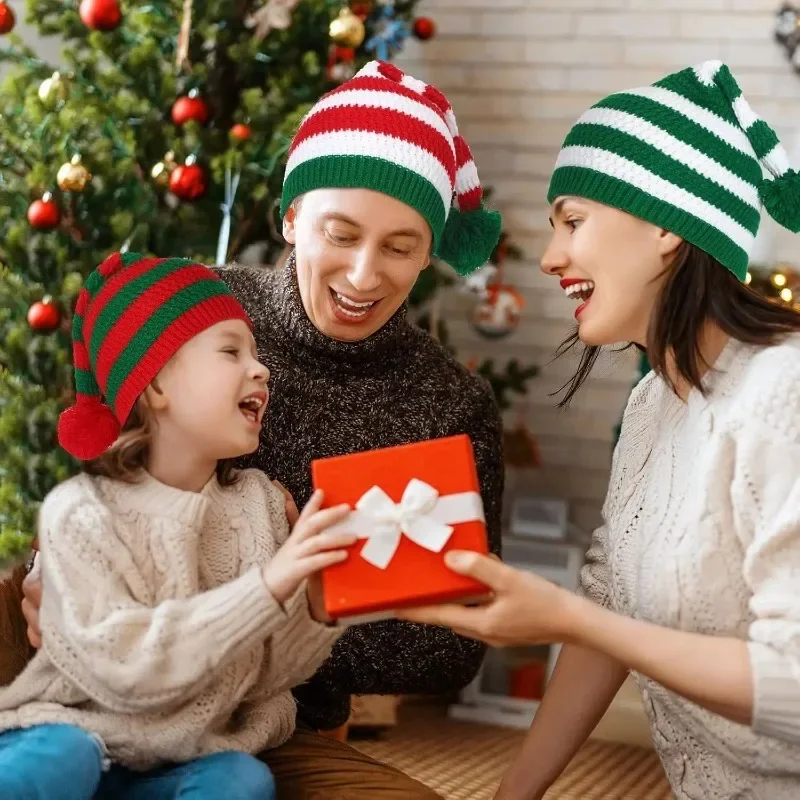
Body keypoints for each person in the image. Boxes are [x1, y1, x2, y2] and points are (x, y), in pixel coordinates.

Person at [3, 60, 505, 798]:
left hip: (265, 720)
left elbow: (450, 648)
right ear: (293, 216)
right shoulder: (197, 314)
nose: (365, 274)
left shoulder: (446, 407)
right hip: (83, 684)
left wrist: (290, 605)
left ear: (430, 252)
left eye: (400, 246)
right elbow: (94, 473)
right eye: (341, 233)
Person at [398, 60, 800, 800]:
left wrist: (571, 617)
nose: (552, 257)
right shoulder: (653, 405)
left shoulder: (783, 393)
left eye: (573, 221)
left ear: (666, 229)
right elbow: (607, 607)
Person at [0, 252, 358, 800]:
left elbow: (266, 678)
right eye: (231, 351)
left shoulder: (259, 507)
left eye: (257, 353)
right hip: (77, 735)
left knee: (242, 781)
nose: (261, 369)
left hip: (186, 759)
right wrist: (267, 587)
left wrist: (315, 605)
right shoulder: (82, 514)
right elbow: (125, 670)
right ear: (156, 385)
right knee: (60, 761)